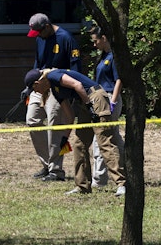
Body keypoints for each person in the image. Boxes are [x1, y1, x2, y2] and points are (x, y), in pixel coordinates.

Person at [24, 67, 126, 196]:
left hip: (95, 98)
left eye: (34, 89)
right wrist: (64, 138)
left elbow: (77, 85)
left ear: (37, 83)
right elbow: (70, 116)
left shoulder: (54, 76)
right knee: (79, 144)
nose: (36, 92)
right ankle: (82, 186)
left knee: (104, 142)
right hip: (84, 103)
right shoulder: (55, 91)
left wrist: (90, 107)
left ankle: (122, 184)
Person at [23, 13, 81, 182]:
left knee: (55, 126)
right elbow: (37, 63)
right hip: (40, 84)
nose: (38, 35)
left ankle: (56, 171)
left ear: (47, 26)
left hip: (58, 87)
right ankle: (47, 163)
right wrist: (29, 86)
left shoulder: (66, 39)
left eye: (40, 32)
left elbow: (75, 69)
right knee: (32, 120)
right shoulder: (39, 38)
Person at [88, 26, 125, 189]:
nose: (94, 44)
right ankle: (127, 169)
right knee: (114, 138)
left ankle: (99, 178)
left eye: (96, 41)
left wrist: (114, 101)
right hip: (100, 98)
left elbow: (119, 80)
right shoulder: (102, 57)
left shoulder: (114, 57)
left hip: (109, 98)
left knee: (101, 138)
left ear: (104, 38)